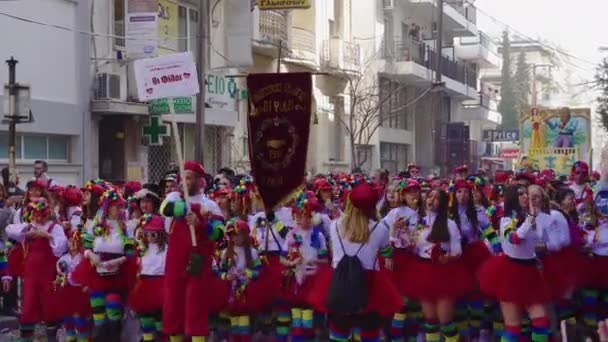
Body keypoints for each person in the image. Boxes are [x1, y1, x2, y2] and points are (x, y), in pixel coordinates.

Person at [308, 180, 401, 341]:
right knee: (369, 334)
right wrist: (394, 234)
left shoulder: (335, 225)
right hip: (369, 285)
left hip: (339, 281)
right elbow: (387, 253)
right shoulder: (380, 229)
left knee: (339, 332)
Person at [160, 160, 225, 342]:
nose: (185, 182)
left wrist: (202, 224)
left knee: (195, 306)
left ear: (199, 180)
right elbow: (164, 209)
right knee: (174, 304)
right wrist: (184, 209)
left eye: (189, 178)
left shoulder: (210, 205)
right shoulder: (174, 197)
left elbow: (219, 234)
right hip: (175, 261)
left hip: (198, 261)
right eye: (183, 178)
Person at [477, 185, 552, 342]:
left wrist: (540, 218)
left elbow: (544, 241)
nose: (525, 197)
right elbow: (514, 239)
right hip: (510, 273)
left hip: (531, 272)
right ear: (512, 198)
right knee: (513, 328)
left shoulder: (533, 217)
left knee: (541, 323)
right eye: (520, 194)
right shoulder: (506, 220)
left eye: (526, 194)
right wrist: (531, 219)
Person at [402, 189, 474, 342]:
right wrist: (405, 239)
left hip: (444, 273)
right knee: (430, 320)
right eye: (429, 196)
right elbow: (415, 248)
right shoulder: (419, 221)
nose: (431, 200)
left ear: (442, 203)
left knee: (445, 321)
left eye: (436, 198)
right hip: (422, 272)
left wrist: (447, 257)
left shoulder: (450, 224)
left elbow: (457, 251)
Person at [71, 188, 135, 340]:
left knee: (114, 313)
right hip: (96, 275)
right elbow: (86, 246)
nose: (119, 209)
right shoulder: (95, 225)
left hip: (117, 275)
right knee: (99, 316)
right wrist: (90, 254)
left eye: (120, 206)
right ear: (107, 207)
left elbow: (130, 250)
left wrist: (120, 260)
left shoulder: (124, 227)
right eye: (116, 206)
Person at [7, 197, 68, 342]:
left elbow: (61, 248)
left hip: (47, 274)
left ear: (47, 213)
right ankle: (25, 338)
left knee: (49, 306)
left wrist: (47, 236)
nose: (37, 217)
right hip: (30, 274)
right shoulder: (29, 227)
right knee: (28, 306)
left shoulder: (55, 227)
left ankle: (51, 337)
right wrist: (27, 230)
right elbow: (10, 230)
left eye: (40, 213)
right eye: (34, 213)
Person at [281, 191, 329, 341]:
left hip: (312, 279)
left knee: (308, 319)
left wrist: (313, 262)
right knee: (296, 317)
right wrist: (290, 263)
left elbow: (325, 260)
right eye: (301, 216)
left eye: (308, 216)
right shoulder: (291, 235)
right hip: (296, 278)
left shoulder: (318, 235)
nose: (304, 219)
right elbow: (282, 257)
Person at [214, 219, 273, 342]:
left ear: (245, 235)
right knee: (234, 323)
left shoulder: (252, 253)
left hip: (247, 291)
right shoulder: (226, 253)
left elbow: (259, 271)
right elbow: (220, 272)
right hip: (231, 291)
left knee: (244, 323)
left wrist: (248, 273)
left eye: (238, 234)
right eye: (233, 235)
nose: (235, 238)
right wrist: (226, 276)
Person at [128, 214, 168, 342]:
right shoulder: (142, 248)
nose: (150, 237)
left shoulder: (167, 249)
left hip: (161, 285)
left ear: (161, 234)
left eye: (154, 234)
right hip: (144, 285)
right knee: (146, 320)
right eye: (147, 233)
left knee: (160, 321)